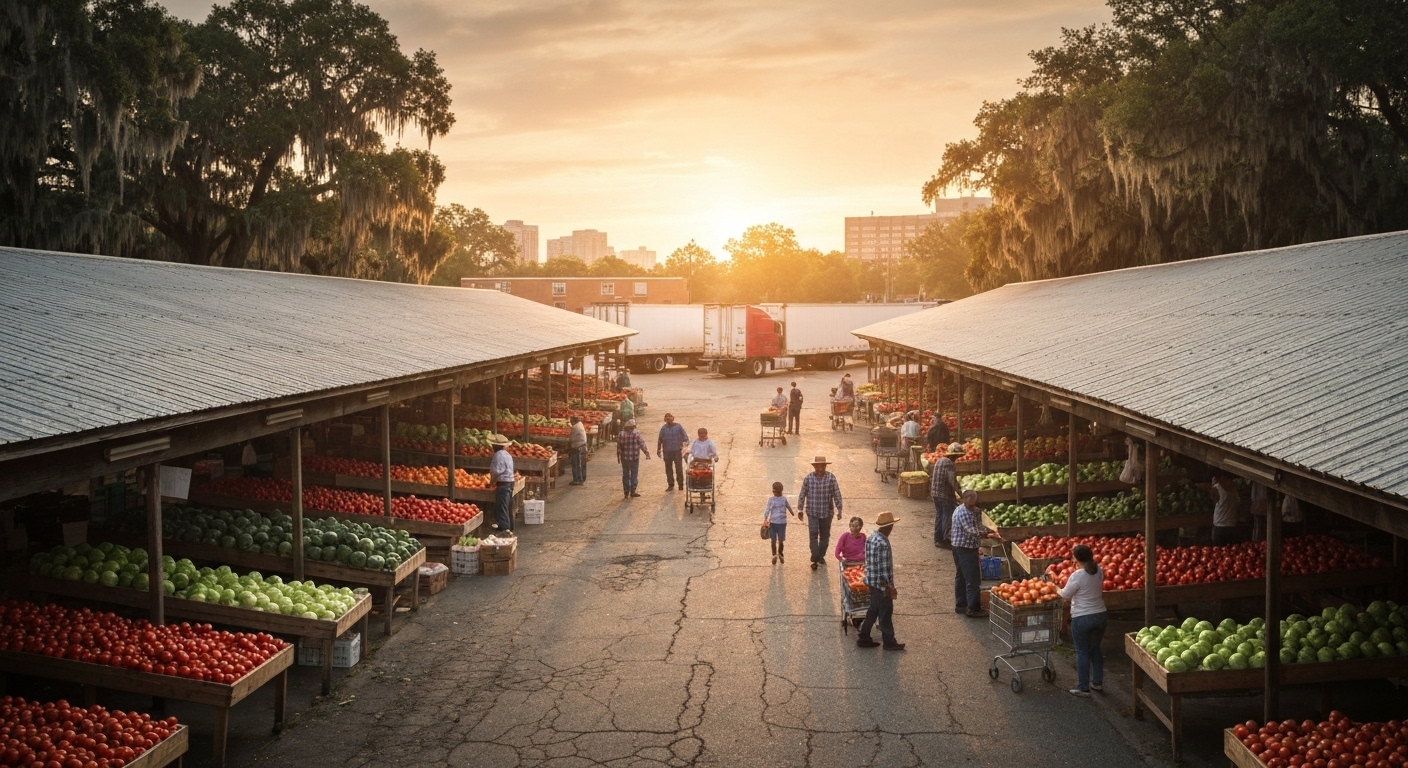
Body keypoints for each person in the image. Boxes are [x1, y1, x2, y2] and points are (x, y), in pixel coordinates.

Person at [1060, 543, 1107, 697]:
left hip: (1082, 617)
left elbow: (1065, 595)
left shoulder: (1077, 575)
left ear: (1076, 558)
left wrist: (1054, 588)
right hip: (1100, 615)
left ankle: (1083, 687)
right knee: (1095, 649)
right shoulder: (1098, 570)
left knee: (1082, 651)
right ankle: (1098, 683)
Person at [856, 510, 904, 650]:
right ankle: (889, 641)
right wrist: (889, 587)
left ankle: (864, 636)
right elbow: (884, 570)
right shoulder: (883, 543)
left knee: (874, 610)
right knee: (885, 612)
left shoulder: (872, 537)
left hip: (871, 580)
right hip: (880, 584)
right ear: (889, 527)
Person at [952, 489, 1001, 617]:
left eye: (974, 503)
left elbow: (979, 522)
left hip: (963, 547)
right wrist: (989, 533)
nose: (973, 506)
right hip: (964, 549)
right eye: (970, 504)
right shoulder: (962, 513)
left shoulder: (972, 510)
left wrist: (991, 527)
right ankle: (973, 609)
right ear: (964, 500)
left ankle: (961, 605)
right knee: (972, 579)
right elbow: (972, 530)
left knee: (962, 576)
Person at [798, 456, 844, 572]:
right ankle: (814, 558)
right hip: (812, 512)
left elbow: (837, 494)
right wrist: (800, 510)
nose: (820, 468)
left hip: (827, 513)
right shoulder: (808, 478)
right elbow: (802, 494)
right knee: (813, 535)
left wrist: (839, 509)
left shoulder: (831, 478)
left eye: (822, 466)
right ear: (814, 467)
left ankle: (821, 556)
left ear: (825, 466)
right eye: (817, 466)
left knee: (825, 537)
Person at [930, 444, 961, 548]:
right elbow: (952, 481)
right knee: (947, 517)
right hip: (945, 495)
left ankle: (937, 539)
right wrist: (961, 493)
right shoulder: (949, 464)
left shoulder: (940, 460)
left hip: (935, 493)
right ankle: (945, 539)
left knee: (939, 515)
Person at [616, 419, 650, 498]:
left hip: (625, 458)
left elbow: (618, 447)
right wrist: (646, 453)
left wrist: (618, 458)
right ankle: (633, 491)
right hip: (634, 458)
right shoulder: (636, 433)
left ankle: (626, 492)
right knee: (634, 474)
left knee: (626, 475)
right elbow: (642, 444)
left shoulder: (621, 434)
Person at [763, 482, 793, 565]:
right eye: (777, 492)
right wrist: (765, 519)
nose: (778, 494)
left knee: (780, 540)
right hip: (774, 523)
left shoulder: (782, 499)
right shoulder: (772, 499)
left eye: (779, 492)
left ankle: (779, 553)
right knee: (774, 539)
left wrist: (792, 512)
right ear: (773, 491)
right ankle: (775, 554)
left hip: (781, 523)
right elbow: (767, 510)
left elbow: (788, 506)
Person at [489, 440, 516, 533]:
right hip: (510, 482)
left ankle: (504, 529)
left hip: (503, 483)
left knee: (502, 506)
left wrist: (491, 482)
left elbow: (496, 472)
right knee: (507, 505)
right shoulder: (507, 454)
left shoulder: (498, 455)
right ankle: (510, 526)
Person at [657, 413, 688, 491]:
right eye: (666, 417)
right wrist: (658, 450)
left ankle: (680, 485)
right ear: (665, 419)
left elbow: (685, 437)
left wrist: (685, 444)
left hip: (677, 451)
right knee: (668, 469)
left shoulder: (678, 427)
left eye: (670, 417)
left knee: (679, 469)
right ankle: (670, 485)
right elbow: (660, 440)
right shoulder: (663, 429)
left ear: (673, 418)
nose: (668, 418)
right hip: (667, 452)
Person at [1210, 472, 1241, 545]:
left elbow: (1213, 498)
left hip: (1222, 526)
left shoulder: (1217, 488)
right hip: (1228, 525)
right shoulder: (1234, 490)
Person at [567, 416, 588, 485]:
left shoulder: (575, 427)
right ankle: (582, 478)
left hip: (577, 447)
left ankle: (577, 479)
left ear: (573, 421)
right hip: (583, 446)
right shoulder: (580, 424)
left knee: (576, 464)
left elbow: (571, 439)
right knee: (582, 464)